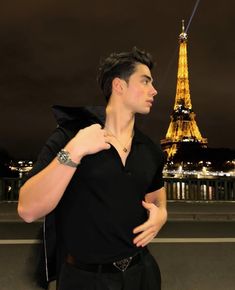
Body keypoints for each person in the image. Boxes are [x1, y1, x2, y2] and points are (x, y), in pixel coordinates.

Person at [18, 47, 167, 290]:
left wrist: (162, 215)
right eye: (145, 81)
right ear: (119, 86)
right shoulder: (69, 136)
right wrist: (75, 150)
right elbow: (27, 209)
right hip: (85, 279)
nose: (154, 90)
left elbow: (156, 198)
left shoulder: (150, 150)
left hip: (142, 275)